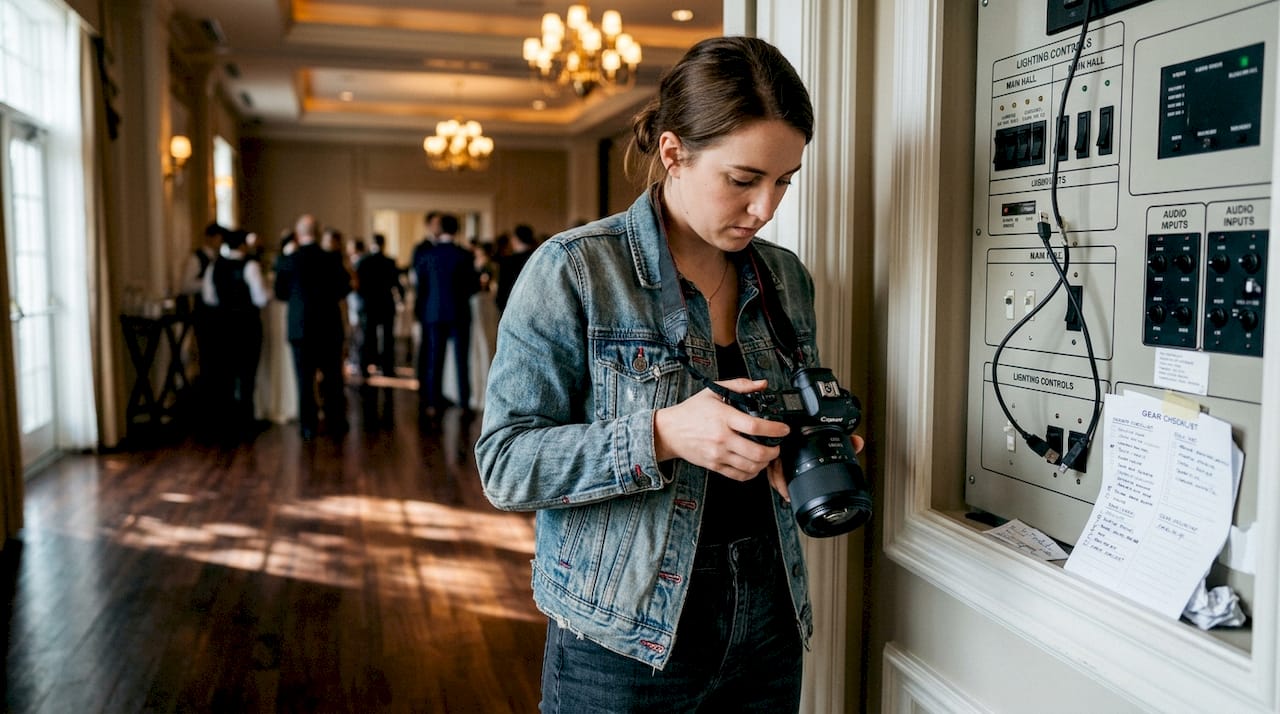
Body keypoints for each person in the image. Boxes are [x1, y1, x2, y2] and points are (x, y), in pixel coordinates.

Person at [475, 37, 863, 712]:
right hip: (621, 640)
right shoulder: (574, 271)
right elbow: (505, 466)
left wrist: (798, 450)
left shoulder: (786, 279)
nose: (766, 208)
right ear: (673, 153)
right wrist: (659, 434)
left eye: (784, 182)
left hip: (768, 618)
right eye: (743, 180)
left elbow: (777, 417)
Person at [273, 214, 352, 439]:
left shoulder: (287, 261)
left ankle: (308, 426)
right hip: (329, 327)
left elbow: (280, 293)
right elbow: (343, 290)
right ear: (318, 234)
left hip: (301, 328)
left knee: (304, 380)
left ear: (298, 235)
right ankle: (335, 422)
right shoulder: (332, 259)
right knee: (333, 379)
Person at [201, 228, 270, 437]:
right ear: (242, 244)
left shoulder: (215, 266)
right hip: (247, 326)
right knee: (247, 374)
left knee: (226, 372)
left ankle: (227, 422)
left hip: (222, 327)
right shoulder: (250, 265)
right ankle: (246, 422)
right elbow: (261, 298)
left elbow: (209, 298)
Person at [413, 213, 479, 419]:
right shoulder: (465, 255)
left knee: (435, 359)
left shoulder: (427, 255)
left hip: (433, 313)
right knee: (462, 360)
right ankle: (464, 403)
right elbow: (473, 286)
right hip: (459, 312)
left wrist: (420, 312)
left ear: (440, 229)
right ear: (456, 230)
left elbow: (420, 288)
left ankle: (433, 403)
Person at [355, 233, 404, 378]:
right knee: (387, 338)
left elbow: (358, 285)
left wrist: (361, 300)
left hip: (369, 305)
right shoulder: (389, 262)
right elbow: (397, 284)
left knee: (367, 337)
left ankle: (365, 367)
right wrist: (401, 298)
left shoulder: (363, 261)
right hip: (385, 304)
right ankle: (387, 368)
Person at [493, 223, 536, 314]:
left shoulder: (508, 262)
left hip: (512, 308)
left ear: (515, 239)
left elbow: (502, 291)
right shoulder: (538, 259)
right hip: (533, 308)